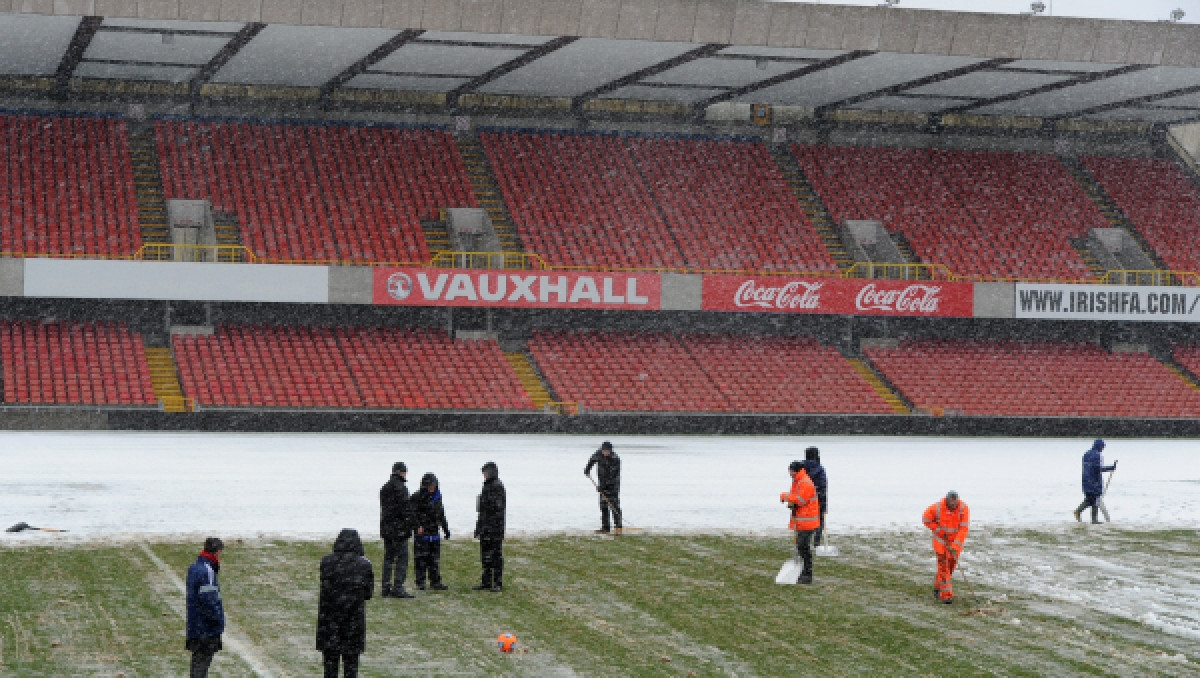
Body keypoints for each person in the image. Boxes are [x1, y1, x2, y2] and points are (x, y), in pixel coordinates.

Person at [317, 529, 374, 678]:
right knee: (351, 666)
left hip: (329, 620)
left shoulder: (327, 562)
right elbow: (368, 594)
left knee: (330, 667)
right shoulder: (364, 565)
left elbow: (325, 586)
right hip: (353, 620)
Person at [185, 536, 226, 678]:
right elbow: (208, 600)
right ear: (217, 552)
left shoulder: (194, 567)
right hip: (206, 629)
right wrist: (218, 620)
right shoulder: (206, 571)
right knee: (201, 668)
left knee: (197, 667)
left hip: (195, 626)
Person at [923, 491, 970, 604]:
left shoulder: (964, 508)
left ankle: (938, 587)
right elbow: (926, 519)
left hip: (955, 545)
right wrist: (938, 530)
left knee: (950, 567)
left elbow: (964, 529)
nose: (954, 505)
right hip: (941, 543)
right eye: (951, 503)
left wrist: (955, 546)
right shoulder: (937, 507)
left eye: (955, 502)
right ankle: (946, 596)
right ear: (947, 500)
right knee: (944, 568)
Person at [780, 460, 820, 584]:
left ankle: (807, 574)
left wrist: (785, 496)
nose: (789, 474)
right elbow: (797, 498)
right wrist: (791, 503)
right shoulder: (798, 481)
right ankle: (803, 572)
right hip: (802, 521)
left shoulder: (805, 482)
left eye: (790, 471)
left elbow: (801, 500)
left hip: (807, 522)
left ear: (795, 471)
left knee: (804, 547)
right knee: (801, 546)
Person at [379, 461, 415, 598]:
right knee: (402, 557)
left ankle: (385, 587)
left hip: (387, 528)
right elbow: (406, 509)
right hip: (399, 529)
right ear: (402, 473)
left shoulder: (385, 488)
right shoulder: (401, 488)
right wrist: (415, 525)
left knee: (388, 558)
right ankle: (398, 587)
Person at [410, 472, 450, 590]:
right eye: (429, 485)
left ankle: (435, 582)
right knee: (420, 560)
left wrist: (445, 529)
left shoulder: (438, 496)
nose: (432, 488)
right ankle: (420, 582)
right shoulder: (416, 497)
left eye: (433, 485)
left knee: (434, 560)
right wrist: (417, 526)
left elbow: (441, 514)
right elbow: (411, 514)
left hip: (434, 533)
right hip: (421, 534)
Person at [473, 460, 507, 592]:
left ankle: (497, 582)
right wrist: (479, 527)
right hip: (486, 526)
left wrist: (484, 503)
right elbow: (483, 510)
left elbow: (497, 508)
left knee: (496, 556)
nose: (484, 475)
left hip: (495, 527)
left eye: (485, 473)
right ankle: (486, 581)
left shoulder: (497, 486)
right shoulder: (487, 486)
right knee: (485, 555)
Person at [1075, 439, 1117, 524]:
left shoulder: (1086, 454)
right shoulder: (1097, 455)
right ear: (1099, 446)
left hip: (1086, 480)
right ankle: (1091, 519)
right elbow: (1098, 469)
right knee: (1095, 499)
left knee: (1091, 499)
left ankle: (1082, 513)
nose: (1102, 449)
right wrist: (1111, 468)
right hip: (1094, 480)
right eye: (1102, 447)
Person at [584, 441, 622, 533]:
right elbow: (592, 460)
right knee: (603, 506)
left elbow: (612, 476)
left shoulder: (615, 459)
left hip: (613, 485)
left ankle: (618, 527)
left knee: (614, 506)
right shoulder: (598, 453)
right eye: (604, 450)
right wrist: (588, 469)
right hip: (602, 484)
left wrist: (603, 486)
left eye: (607, 451)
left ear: (610, 451)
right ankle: (605, 528)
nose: (605, 453)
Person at [802, 446, 828, 547]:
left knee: (804, 520)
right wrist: (824, 504)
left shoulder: (801, 467)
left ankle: (805, 541)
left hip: (804, 498)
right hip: (818, 497)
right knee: (819, 520)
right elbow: (823, 486)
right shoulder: (820, 468)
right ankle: (816, 542)